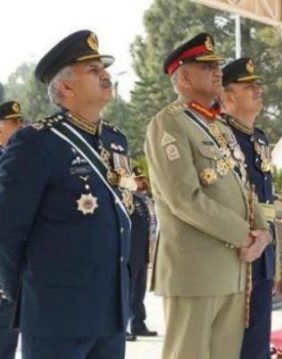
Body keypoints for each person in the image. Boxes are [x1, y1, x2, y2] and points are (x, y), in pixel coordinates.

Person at [0, 30, 133, 359]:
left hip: (110, 311)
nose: (105, 74)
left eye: (103, 68)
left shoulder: (115, 141)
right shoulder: (36, 142)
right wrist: (31, 294)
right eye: (92, 70)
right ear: (66, 86)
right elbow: (7, 229)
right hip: (56, 315)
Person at [144, 33, 270, 359]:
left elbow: (246, 186)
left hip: (231, 269)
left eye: (217, 64)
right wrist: (244, 234)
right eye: (207, 65)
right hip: (194, 271)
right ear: (183, 76)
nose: (217, 70)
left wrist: (263, 232)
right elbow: (184, 198)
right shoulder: (169, 124)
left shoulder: (219, 127)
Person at [219, 58, 276, 359]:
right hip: (236, 255)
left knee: (257, 345)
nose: (257, 90)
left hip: (263, 254)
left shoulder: (260, 138)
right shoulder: (219, 137)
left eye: (258, 85)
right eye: (248, 86)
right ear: (227, 96)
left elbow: (266, 198)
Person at [0, 100, 24, 359]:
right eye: (14, 123)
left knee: (9, 327)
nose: (21, 127)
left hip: (13, 256)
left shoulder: (17, 159)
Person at [127, 166, 158, 341]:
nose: (142, 181)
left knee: (139, 290)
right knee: (127, 290)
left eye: (142, 178)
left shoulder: (145, 200)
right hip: (131, 251)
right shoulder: (128, 198)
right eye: (138, 179)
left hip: (143, 249)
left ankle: (138, 323)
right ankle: (124, 327)